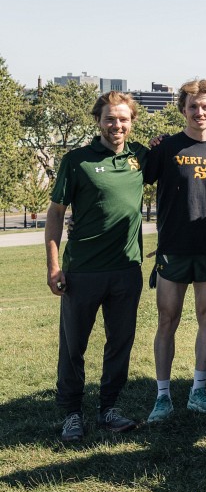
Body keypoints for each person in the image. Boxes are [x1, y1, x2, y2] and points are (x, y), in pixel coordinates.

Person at [46, 91, 147, 441]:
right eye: (110, 118)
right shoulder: (76, 160)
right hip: (82, 271)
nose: (116, 125)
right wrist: (54, 265)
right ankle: (72, 412)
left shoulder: (141, 157)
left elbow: (188, 174)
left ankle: (109, 408)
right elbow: (56, 214)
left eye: (123, 118)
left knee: (120, 342)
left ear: (132, 121)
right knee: (74, 346)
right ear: (98, 120)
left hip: (126, 269)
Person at [144, 79, 206, 423]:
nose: (199, 112)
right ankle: (162, 396)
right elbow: (137, 177)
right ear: (183, 109)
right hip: (174, 248)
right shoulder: (166, 148)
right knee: (168, 319)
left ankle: (199, 389)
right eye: (193, 106)